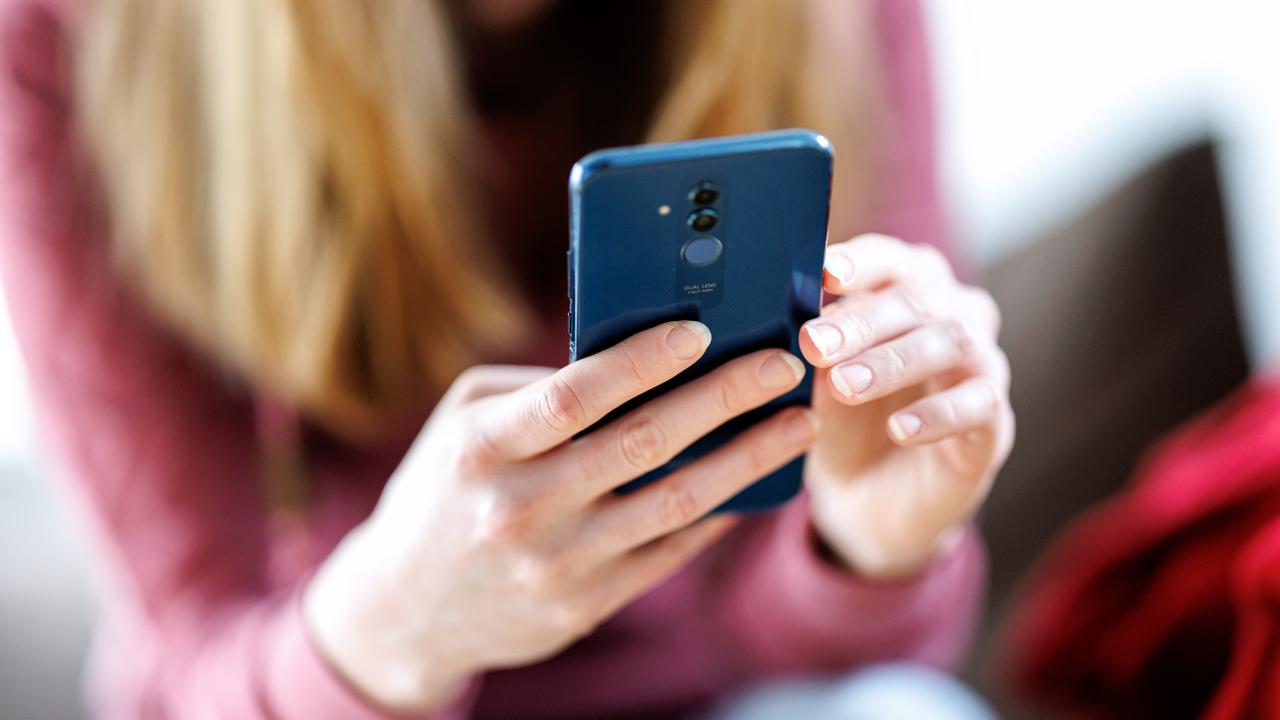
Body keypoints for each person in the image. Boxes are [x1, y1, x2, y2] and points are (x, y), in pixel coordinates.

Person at [0, 0, 1014, 718]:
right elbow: (188, 650)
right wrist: (387, 631)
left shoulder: (825, 15)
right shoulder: (76, 41)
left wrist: (866, 546)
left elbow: (838, 660)